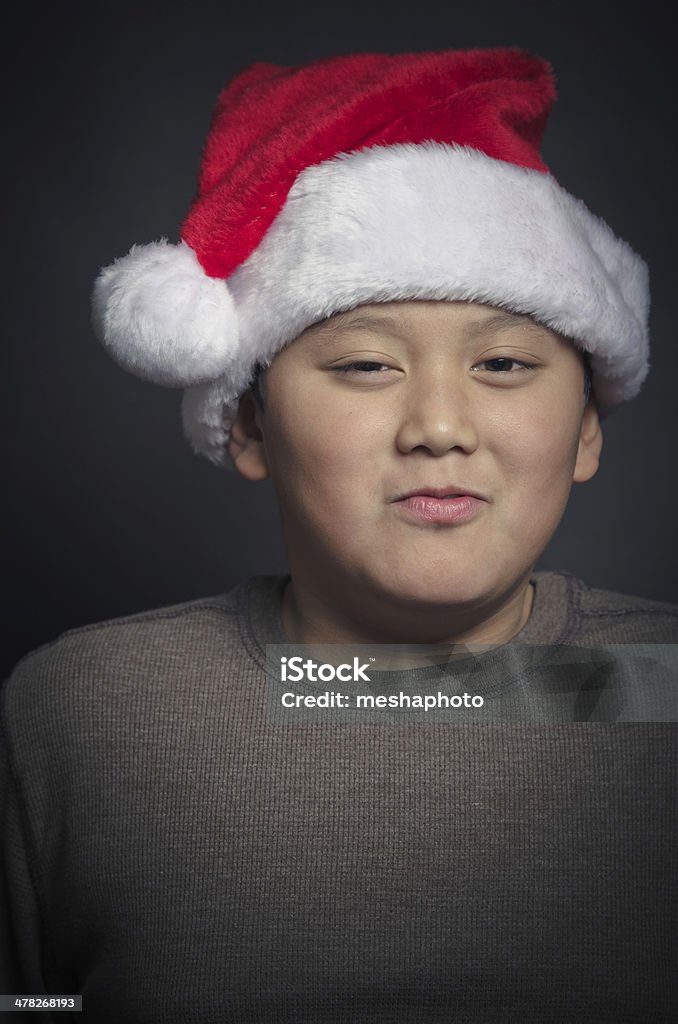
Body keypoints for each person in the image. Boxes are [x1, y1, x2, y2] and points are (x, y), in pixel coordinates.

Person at [2, 48, 677, 1022]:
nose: (440, 425)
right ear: (247, 424)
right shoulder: (80, 716)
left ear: (586, 429)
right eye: (364, 365)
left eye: (502, 362)